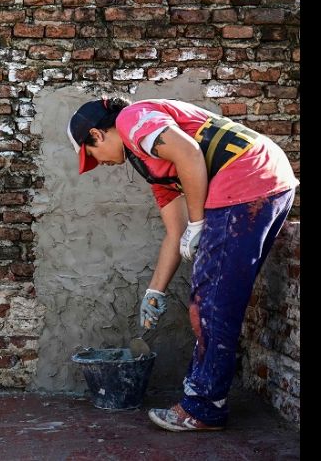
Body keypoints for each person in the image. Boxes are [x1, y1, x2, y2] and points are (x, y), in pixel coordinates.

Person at [66, 96, 298, 431]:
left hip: (245, 179)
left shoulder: (132, 119)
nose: (99, 163)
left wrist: (198, 222)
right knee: (217, 298)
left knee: (211, 303)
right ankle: (207, 400)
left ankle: (204, 407)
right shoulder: (150, 162)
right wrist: (154, 292)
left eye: (93, 156)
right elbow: (175, 233)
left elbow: (189, 152)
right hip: (268, 178)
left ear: (97, 135)